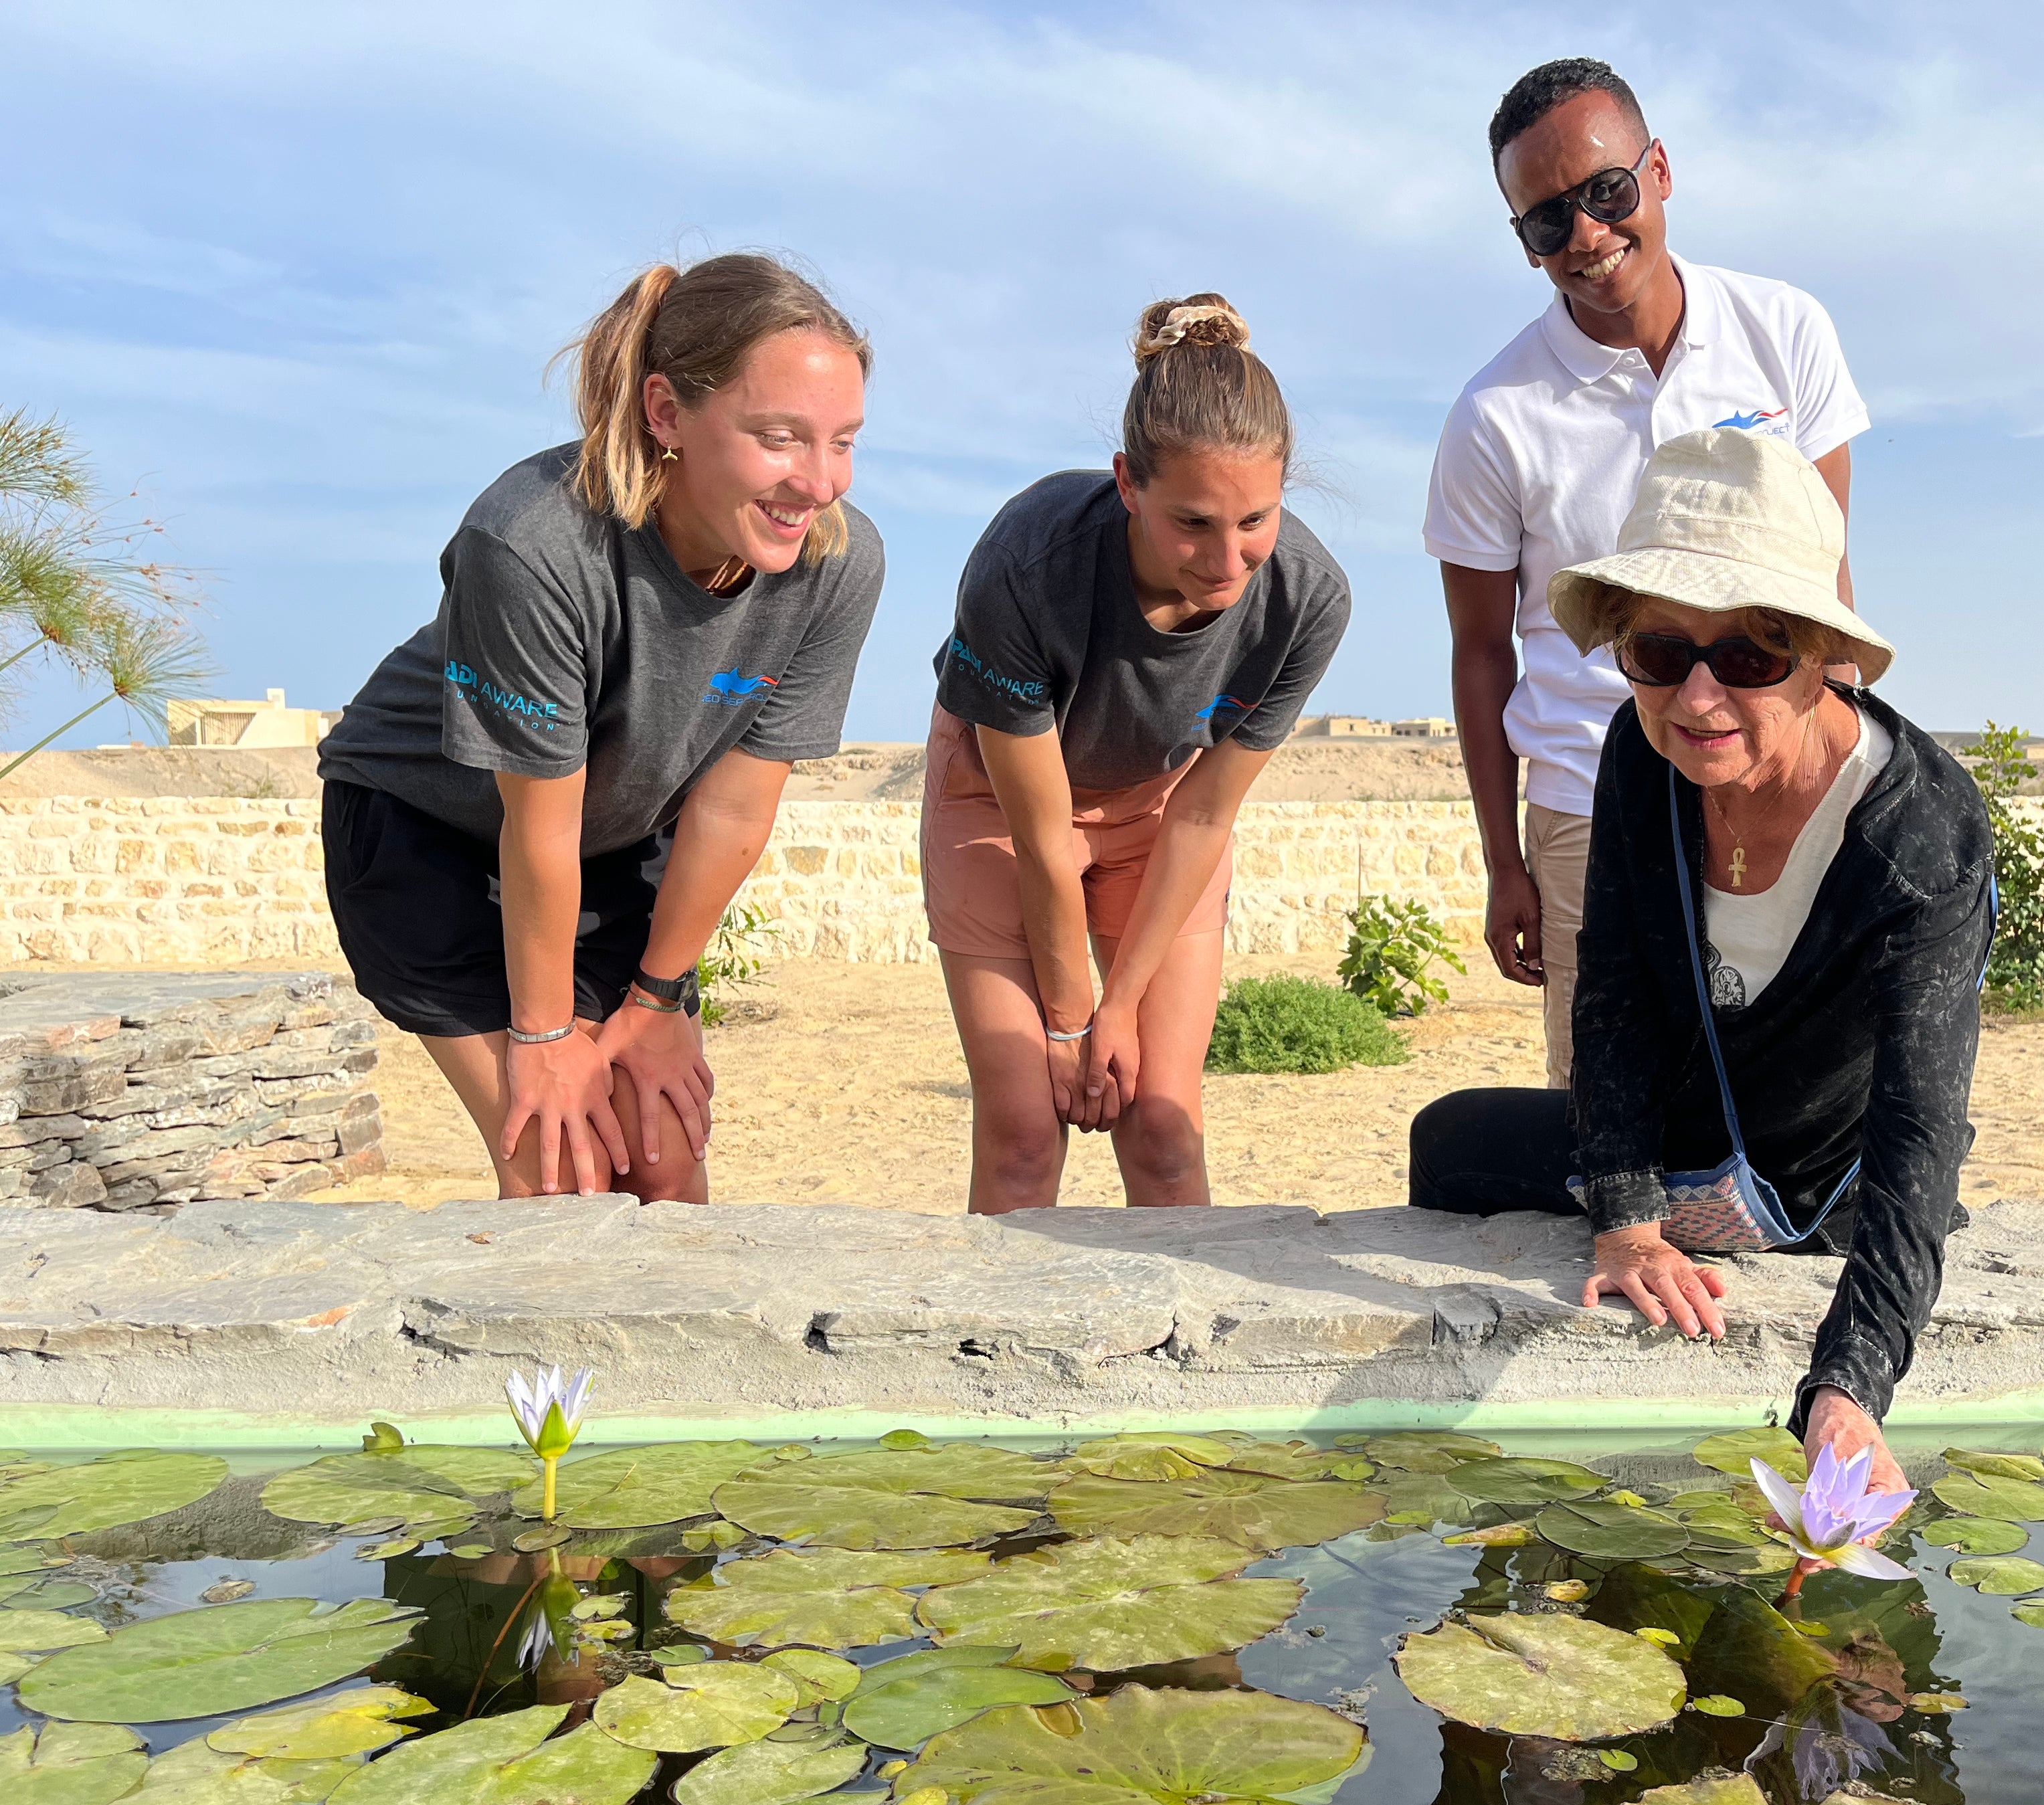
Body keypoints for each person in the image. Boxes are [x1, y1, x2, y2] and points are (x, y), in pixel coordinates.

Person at [1410, 427, 1992, 1515]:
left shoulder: (1923, 835)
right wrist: (1627, 1217)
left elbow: (1922, 1123)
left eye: (1754, 657)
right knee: (1448, 1142)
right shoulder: (1644, 751)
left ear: (1827, 656)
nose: (1699, 699)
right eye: (1662, 653)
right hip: (1681, 1158)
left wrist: (1848, 1384)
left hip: (1824, 1186)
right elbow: (1617, 984)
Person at [316, 253, 882, 1201]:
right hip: (426, 831)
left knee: (663, 1172)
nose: (818, 484)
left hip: (610, 851)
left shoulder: (837, 563)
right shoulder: (533, 542)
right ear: (668, 414)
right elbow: (537, 820)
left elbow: (735, 809)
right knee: (563, 1173)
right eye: (780, 438)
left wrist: (658, 999)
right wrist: (544, 1038)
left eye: (843, 442)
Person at [1425, 56, 1872, 1088]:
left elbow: (1826, 576)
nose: (1584, 234)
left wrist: (1848, 779)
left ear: (1659, 171)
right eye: (1546, 220)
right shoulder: (1494, 416)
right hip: (1593, 794)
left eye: (1606, 192)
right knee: (1609, 1097)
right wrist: (1507, 863)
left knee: (1797, 1078)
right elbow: (1481, 654)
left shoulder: (1784, 331)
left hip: (1779, 769)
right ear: (1523, 242)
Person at [925, 295, 1350, 1212]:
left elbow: (1204, 813)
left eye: (1255, 522)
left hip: (1163, 809)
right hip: (1002, 805)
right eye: (1192, 522)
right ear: (1128, 484)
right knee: (1026, 1131)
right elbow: (1044, 841)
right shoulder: (1027, 563)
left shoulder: (1308, 601)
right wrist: (1073, 1021)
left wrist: (1118, 1012)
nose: (1227, 563)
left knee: (1160, 1124)